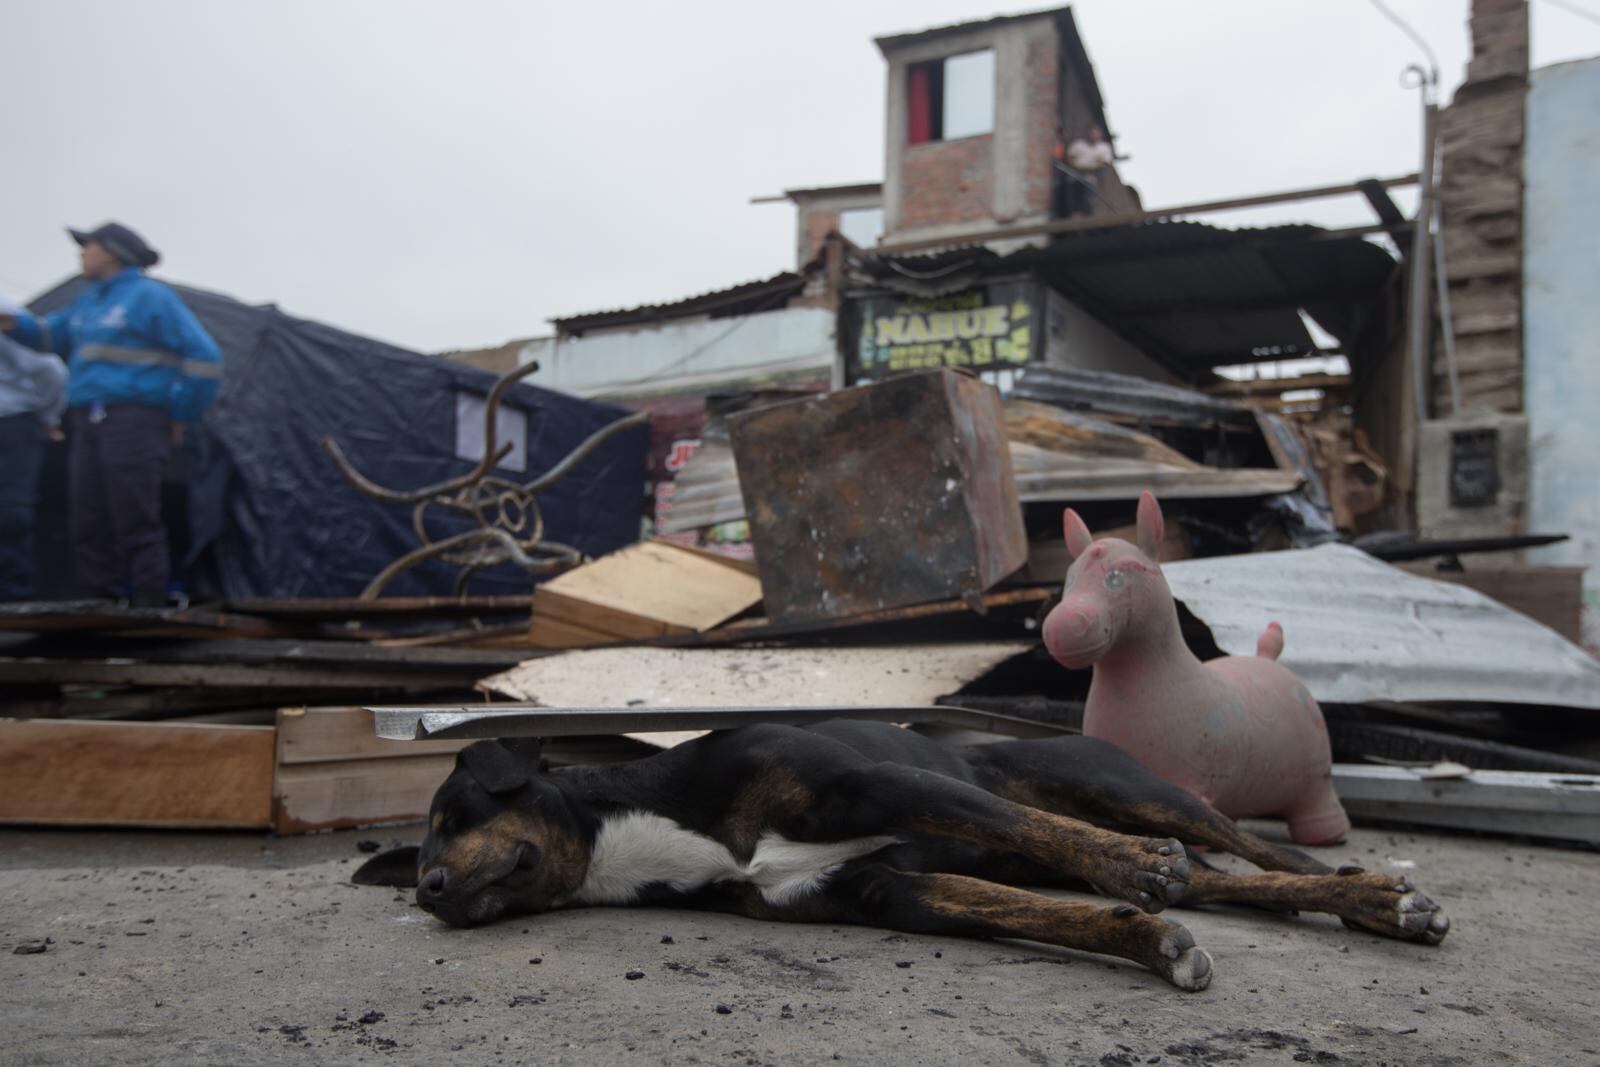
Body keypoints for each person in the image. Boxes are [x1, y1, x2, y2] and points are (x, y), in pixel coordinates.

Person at [0, 222, 221, 607]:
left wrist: (180, 411)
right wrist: (14, 325)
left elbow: (205, 358)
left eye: (90, 246)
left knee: (133, 510)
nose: (82, 253)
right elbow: (52, 336)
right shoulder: (89, 301)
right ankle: (98, 598)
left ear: (114, 253)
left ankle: (149, 597)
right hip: (87, 419)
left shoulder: (150, 298)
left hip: (135, 419)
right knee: (87, 511)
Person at [0, 330, 67, 600]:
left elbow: (51, 370)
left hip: (14, 421)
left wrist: (48, 416)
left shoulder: (6, 317)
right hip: (17, 422)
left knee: (12, 510)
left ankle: (14, 593)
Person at [1059, 124, 1114, 218]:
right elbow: (1068, 158)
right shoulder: (1078, 144)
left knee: (1086, 204)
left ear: (1100, 135)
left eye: (1095, 134)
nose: (1092, 135)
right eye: (1091, 133)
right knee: (1072, 204)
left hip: (1089, 179)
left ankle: (1083, 225)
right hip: (1074, 178)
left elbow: (1105, 164)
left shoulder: (1103, 148)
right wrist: (1077, 167)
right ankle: (1073, 224)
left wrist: (1089, 168)